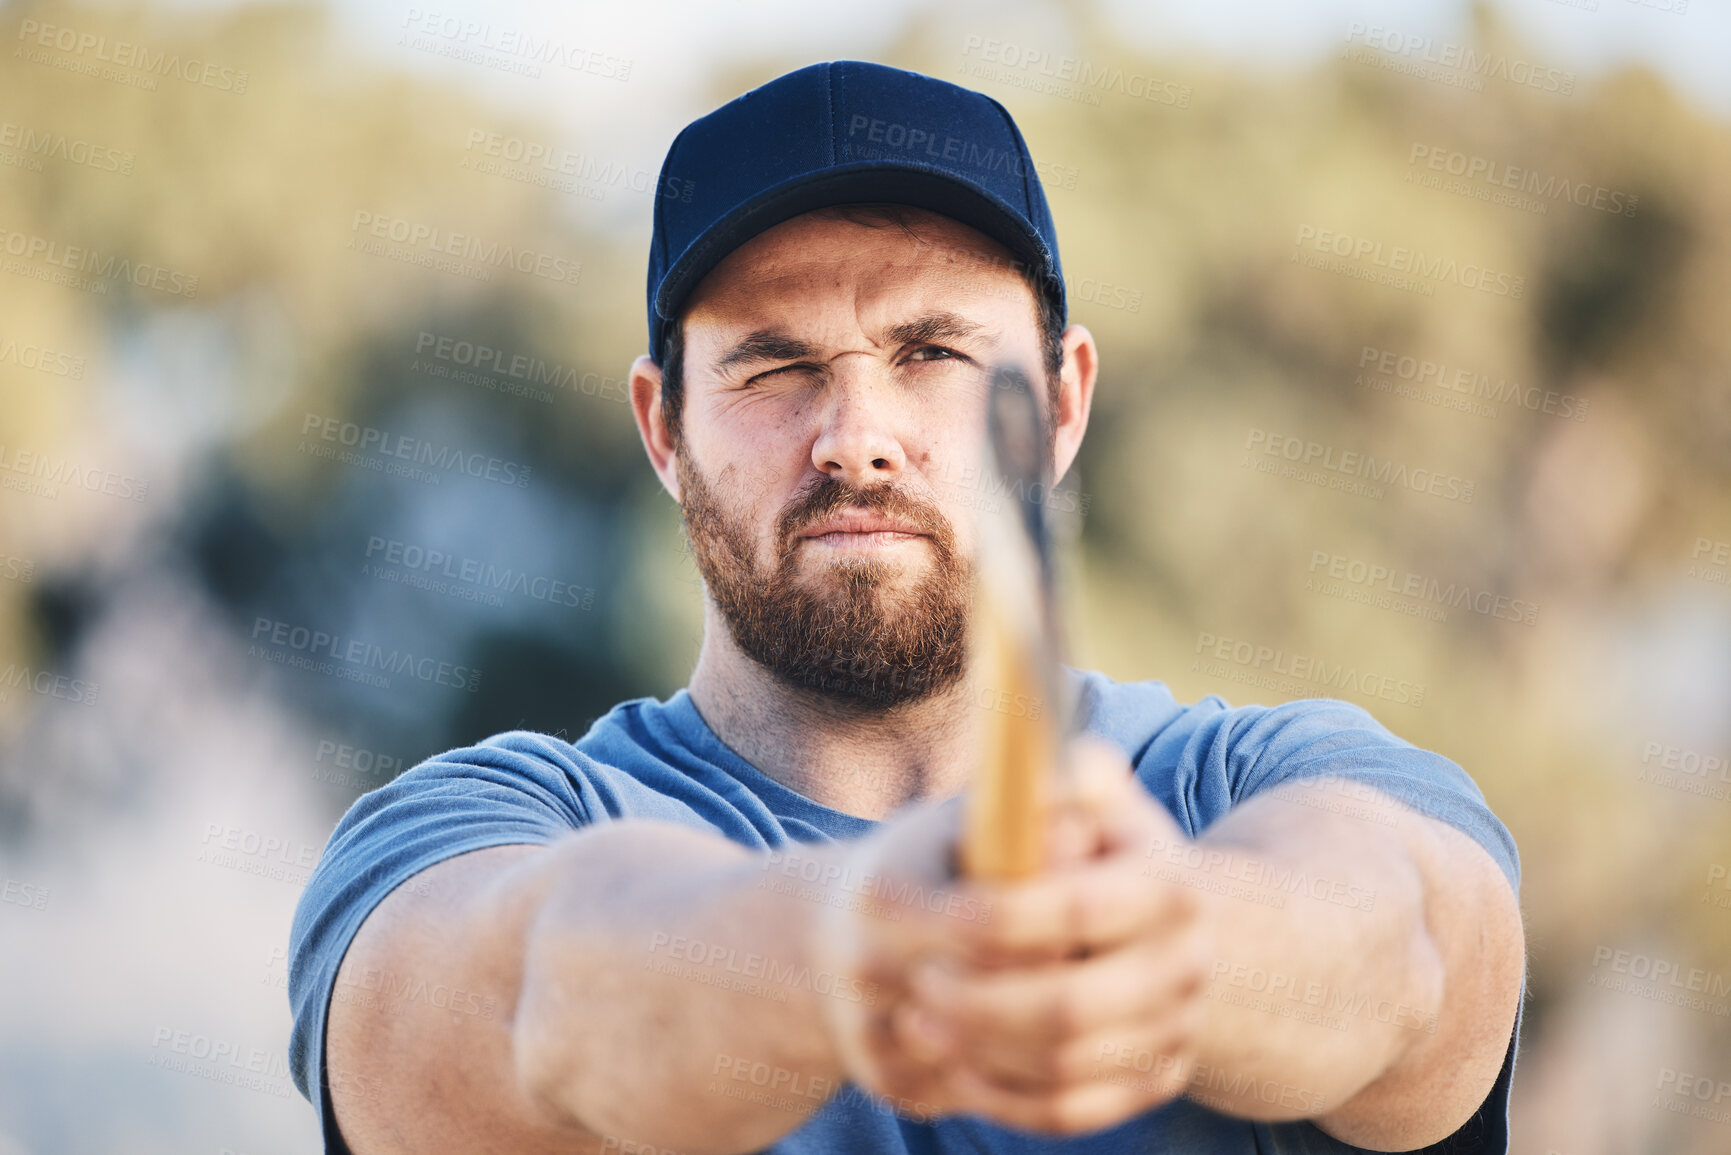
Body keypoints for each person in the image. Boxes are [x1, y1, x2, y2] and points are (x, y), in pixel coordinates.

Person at [288, 60, 1524, 1155]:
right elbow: (531, 1003)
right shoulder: (483, 832)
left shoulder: (1260, 789)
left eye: (932, 352)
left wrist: (1173, 951)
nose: (856, 439)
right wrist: (864, 945)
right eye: (776, 367)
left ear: (1061, 400)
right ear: (662, 429)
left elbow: (1415, 949)